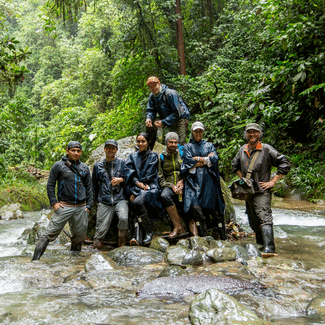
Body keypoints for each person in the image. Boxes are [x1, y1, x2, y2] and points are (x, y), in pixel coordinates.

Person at [232, 123, 291, 255]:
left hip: (262, 191)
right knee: (253, 220)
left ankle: (270, 248)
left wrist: (273, 181)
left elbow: (284, 163)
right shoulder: (242, 150)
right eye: (249, 132)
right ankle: (260, 245)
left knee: (264, 216)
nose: (252, 134)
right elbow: (235, 165)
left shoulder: (266, 149)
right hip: (248, 192)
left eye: (255, 132)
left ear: (259, 134)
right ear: (246, 134)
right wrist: (243, 179)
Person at [32, 141, 93, 260]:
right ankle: (34, 260)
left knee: (79, 237)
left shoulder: (84, 167)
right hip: (64, 206)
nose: (76, 153)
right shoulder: (58, 166)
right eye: (73, 150)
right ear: (67, 151)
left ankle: (74, 262)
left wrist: (89, 205)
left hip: (81, 207)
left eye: (78, 151)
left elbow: (89, 187)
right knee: (48, 234)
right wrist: (54, 203)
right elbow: (50, 185)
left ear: (81, 152)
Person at [180, 122, 226, 239]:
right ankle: (204, 237)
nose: (198, 133)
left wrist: (198, 159)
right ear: (192, 132)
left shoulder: (209, 145)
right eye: (196, 131)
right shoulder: (188, 147)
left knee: (216, 208)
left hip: (209, 181)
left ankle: (223, 237)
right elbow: (188, 162)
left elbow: (214, 159)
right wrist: (206, 160)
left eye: (200, 131)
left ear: (203, 132)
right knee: (195, 206)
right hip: (194, 181)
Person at [125, 132, 163, 245]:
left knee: (137, 201)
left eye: (143, 141)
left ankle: (147, 232)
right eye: (138, 141)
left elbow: (149, 175)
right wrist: (136, 185)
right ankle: (136, 236)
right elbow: (129, 173)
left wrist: (136, 191)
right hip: (137, 187)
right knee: (132, 204)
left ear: (148, 142)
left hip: (150, 187)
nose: (140, 143)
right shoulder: (132, 156)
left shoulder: (153, 156)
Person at [92, 140, 129, 249]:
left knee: (123, 218)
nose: (110, 150)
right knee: (100, 231)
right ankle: (97, 251)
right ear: (104, 149)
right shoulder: (97, 166)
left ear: (116, 150)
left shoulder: (122, 163)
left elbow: (129, 179)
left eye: (112, 148)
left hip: (120, 199)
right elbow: (94, 185)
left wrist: (120, 180)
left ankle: (121, 247)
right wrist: (95, 201)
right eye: (108, 147)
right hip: (104, 201)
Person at [145, 76, 190, 150]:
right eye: (150, 87)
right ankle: (149, 147)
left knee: (179, 142)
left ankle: (182, 159)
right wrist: (149, 118)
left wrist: (163, 122)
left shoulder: (170, 94)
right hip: (168, 118)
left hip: (180, 118)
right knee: (170, 141)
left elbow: (177, 113)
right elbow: (151, 110)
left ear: (159, 84)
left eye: (155, 85)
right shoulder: (152, 96)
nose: (153, 88)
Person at [158, 132, 184, 239]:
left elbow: (187, 170)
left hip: (182, 183)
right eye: (171, 142)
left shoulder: (182, 154)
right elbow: (160, 176)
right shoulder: (162, 157)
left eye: (175, 142)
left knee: (191, 196)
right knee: (165, 196)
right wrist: (171, 186)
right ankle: (177, 226)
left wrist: (182, 182)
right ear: (166, 143)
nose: (173, 144)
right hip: (169, 185)